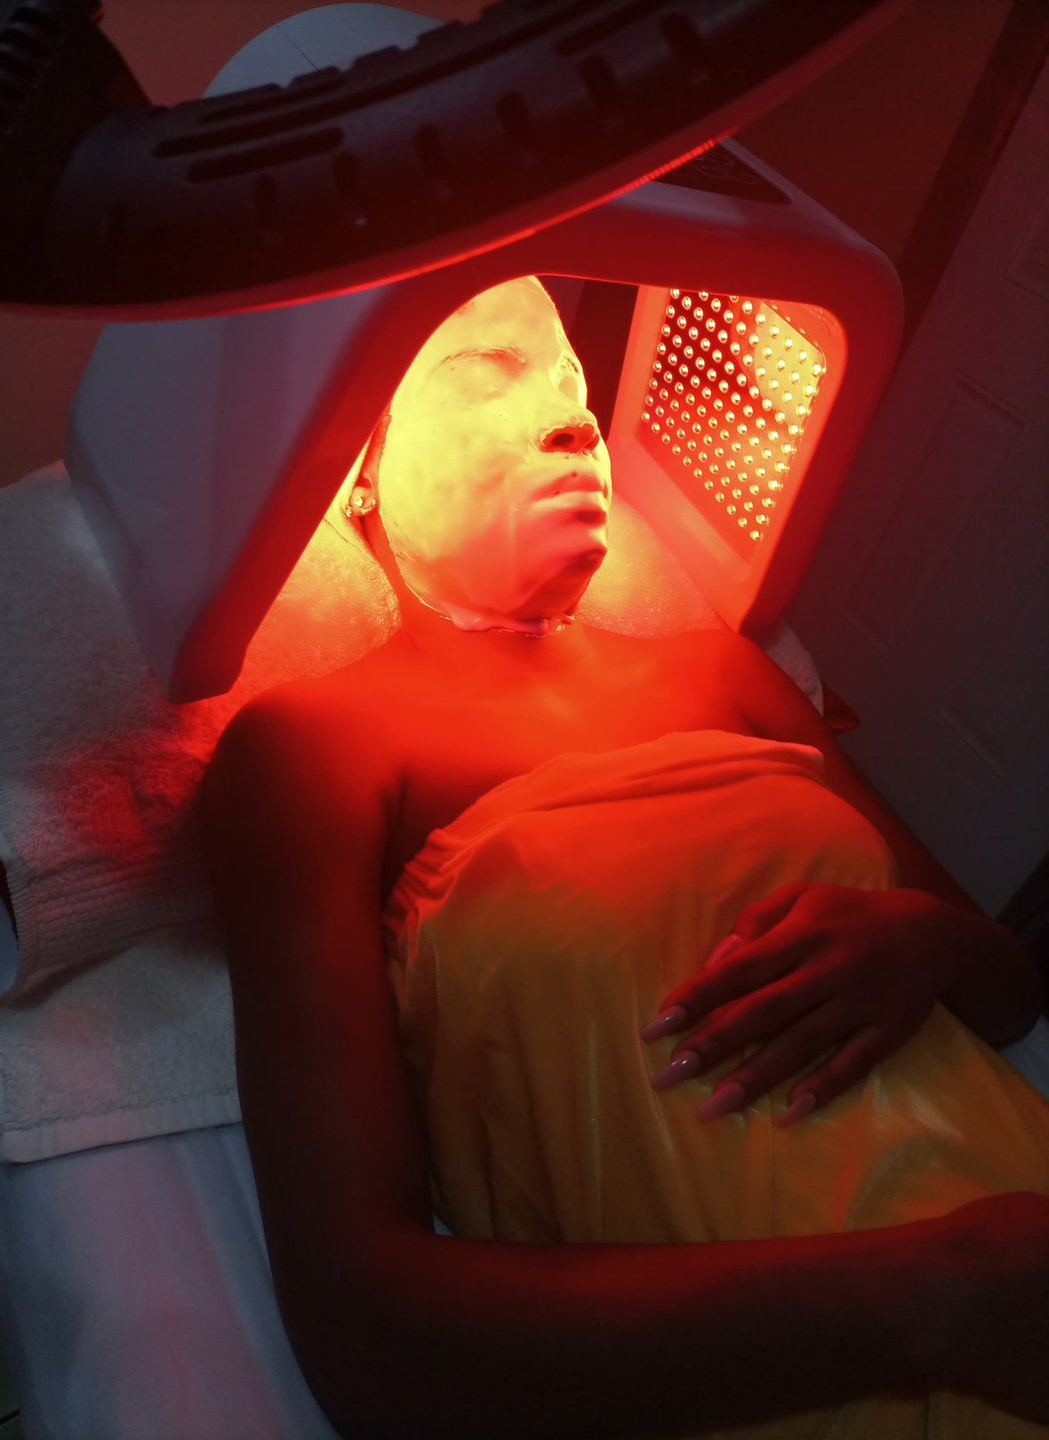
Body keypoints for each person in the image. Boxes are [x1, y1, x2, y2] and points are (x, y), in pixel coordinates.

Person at [205, 276, 1049, 1440]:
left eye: (576, 384)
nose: (574, 418)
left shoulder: (723, 671)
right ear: (361, 468)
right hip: (827, 1363)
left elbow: (1009, 993)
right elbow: (366, 1336)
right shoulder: (315, 746)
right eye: (492, 374)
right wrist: (943, 1298)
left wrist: (932, 940)